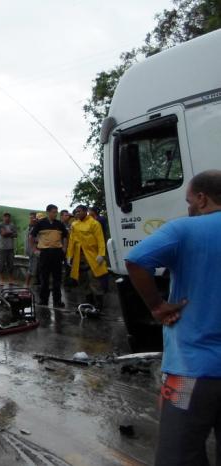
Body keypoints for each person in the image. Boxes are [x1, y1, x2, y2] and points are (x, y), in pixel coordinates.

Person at [125, 170, 221, 465]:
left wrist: (157, 305)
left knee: (176, 454)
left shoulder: (185, 229)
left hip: (188, 374)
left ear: (202, 199)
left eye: (189, 200)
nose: (188, 207)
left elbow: (136, 259)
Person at [66, 205, 107, 310]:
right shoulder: (74, 225)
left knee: (94, 281)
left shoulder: (94, 223)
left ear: (85, 212)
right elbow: (71, 241)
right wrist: (69, 256)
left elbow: (100, 239)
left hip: (92, 256)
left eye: (79, 211)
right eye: (76, 212)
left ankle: (99, 304)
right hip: (79, 258)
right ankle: (89, 302)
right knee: (82, 281)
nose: (77, 214)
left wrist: (101, 254)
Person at [31, 205, 68, 307]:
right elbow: (32, 236)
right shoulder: (41, 223)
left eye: (56, 212)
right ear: (48, 212)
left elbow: (65, 237)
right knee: (44, 278)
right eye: (53, 212)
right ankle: (44, 300)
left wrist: (64, 248)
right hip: (45, 253)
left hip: (57, 253)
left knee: (57, 278)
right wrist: (34, 249)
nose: (55, 214)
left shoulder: (60, 224)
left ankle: (57, 301)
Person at [0, 212, 18, 284]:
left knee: (11, 265)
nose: (7, 218)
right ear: (3, 217)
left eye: (8, 216)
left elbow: (16, 235)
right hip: (2, 248)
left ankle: (11, 280)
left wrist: (8, 233)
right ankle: (1, 280)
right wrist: (10, 233)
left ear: (10, 218)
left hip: (10, 248)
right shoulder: (0, 224)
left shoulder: (12, 225)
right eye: (5, 216)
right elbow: (3, 234)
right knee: (1, 264)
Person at [24, 212, 39, 287]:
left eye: (33, 218)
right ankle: (26, 285)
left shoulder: (32, 227)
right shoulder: (31, 228)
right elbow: (33, 240)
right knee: (32, 269)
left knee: (33, 268)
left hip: (33, 251)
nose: (32, 219)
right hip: (33, 251)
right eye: (31, 218)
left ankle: (28, 285)